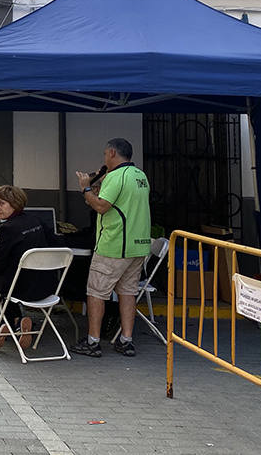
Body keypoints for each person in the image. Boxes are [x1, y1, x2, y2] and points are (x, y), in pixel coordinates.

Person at [70, 137, 151, 358]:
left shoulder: (117, 177)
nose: (104, 158)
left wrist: (86, 187)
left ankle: (93, 341)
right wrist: (98, 184)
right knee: (127, 292)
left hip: (114, 246)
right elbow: (118, 202)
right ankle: (126, 340)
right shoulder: (140, 176)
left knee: (96, 292)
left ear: (112, 153)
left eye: (105, 154)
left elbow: (102, 207)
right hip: (138, 247)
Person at [0, 185, 61, 352]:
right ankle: (17, 323)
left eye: (2, 203)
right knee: (7, 281)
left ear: (15, 203)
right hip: (47, 289)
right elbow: (55, 244)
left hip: (20, 291)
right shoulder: (36, 220)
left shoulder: (7, 228)